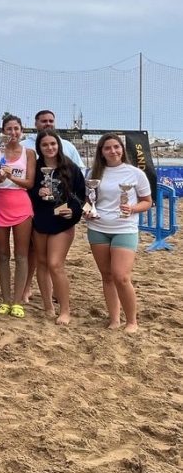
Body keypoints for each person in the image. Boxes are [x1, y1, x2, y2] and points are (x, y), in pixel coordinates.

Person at [85, 133, 152, 334]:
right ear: (102, 152)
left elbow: (147, 201)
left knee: (121, 276)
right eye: (108, 148)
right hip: (98, 229)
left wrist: (132, 208)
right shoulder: (94, 173)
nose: (113, 151)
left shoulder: (135, 173)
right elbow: (90, 200)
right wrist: (87, 210)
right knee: (106, 276)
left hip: (125, 228)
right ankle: (114, 319)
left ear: (122, 149)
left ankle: (131, 321)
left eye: (116, 147)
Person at [22, 109, 86, 300]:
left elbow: (80, 192)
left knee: (55, 264)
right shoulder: (31, 159)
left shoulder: (70, 162)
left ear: (58, 145)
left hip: (61, 219)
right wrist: (36, 192)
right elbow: (28, 187)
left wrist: (75, 211)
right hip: (39, 219)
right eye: (45, 145)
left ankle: (61, 302)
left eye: (52, 144)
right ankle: (43, 301)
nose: (49, 147)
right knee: (39, 261)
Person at [0, 115, 36, 319]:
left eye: (16, 129)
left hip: (21, 204)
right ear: (3, 131)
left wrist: (10, 176)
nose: (13, 133)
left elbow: (30, 183)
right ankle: (5, 300)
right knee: (2, 255)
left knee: (21, 255)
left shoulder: (29, 153)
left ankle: (17, 302)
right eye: (9, 129)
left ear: (22, 130)